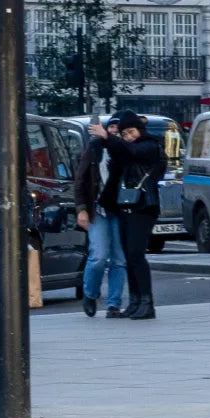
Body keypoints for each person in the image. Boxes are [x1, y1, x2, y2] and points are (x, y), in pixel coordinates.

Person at [89, 110, 163, 320]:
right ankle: (135, 301)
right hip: (125, 205)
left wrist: (109, 138)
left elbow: (132, 152)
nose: (128, 137)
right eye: (125, 134)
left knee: (136, 254)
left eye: (131, 132)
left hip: (144, 206)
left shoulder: (151, 145)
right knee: (129, 256)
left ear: (140, 130)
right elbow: (115, 157)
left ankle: (147, 303)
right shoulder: (123, 149)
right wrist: (102, 141)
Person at [76, 116, 128, 318]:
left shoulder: (124, 150)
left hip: (121, 210)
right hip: (98, 209)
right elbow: (80, 180)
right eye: (111, 127)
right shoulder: (94, 148)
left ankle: (113, 304)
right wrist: (81, 209)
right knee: (98, 256)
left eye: (118, 128)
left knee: (119, 259)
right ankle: (90, 293)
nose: (114, 131)